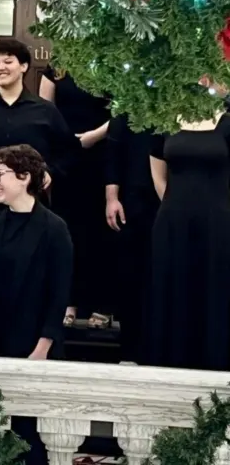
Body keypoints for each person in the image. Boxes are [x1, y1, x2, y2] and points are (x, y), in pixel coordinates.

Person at [0, 145, 72, 465]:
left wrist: (42, 348)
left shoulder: (54, 229)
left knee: (29, 438)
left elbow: (58, 293)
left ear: (24, 177)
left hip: (31, 347)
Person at [143, 106, 230, 371]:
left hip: (218, 220)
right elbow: (158, 173)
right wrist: (174, 205)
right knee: (172, 286)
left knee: (215, 288)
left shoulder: (227, 123)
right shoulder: (165, 119)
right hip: (173, 219)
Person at [40, 65, 115, 330]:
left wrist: (94, 136)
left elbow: (124, 107)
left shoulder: (113, 57)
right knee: (68, 230)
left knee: (101, 232)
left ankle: (102, 304)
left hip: (103, 155)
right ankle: (68, 302)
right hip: (65, 158)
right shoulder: (57, 66)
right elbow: (45, 110)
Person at [0, 39, 78, 218]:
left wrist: (50, 172)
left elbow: (69, 151)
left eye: (8, 62)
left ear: (24, 66)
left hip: (33, 201)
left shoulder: (45, 110)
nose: (0, 67)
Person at [103, 113, 158, 363]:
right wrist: (111, 198)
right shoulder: (127, 105)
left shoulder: (181, 101)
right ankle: (130, 349)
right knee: (130, 275)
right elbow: (113, 154)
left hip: (170, 201)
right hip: (131, 200)